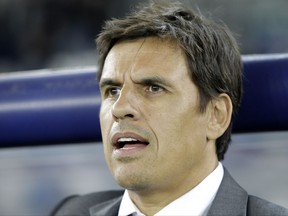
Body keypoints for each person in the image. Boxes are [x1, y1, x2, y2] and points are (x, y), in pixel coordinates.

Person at [50, 0, 288, 215]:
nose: (120, 108)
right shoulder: (68, 211)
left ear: (216, 116)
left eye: (153, 87)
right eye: (112, 91)